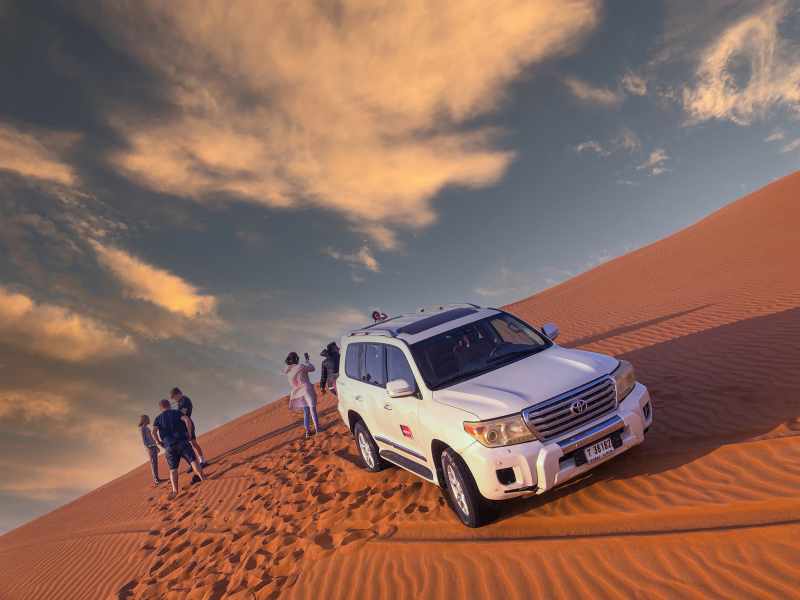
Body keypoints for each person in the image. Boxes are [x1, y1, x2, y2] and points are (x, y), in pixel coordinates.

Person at [153, 398, 204, 498]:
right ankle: (203, 478)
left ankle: (175, 491)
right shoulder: (177, 412)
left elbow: (153, 432)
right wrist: (189, 433)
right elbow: (187, 420)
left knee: (173, 469)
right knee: (193, 460)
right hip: (182, 441)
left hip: (169, 446)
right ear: (169, 405)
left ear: (161, 408)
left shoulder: (158, 418)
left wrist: (159, 442)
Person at [284, 351, 322, 438]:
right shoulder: (300, 366)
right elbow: (312, 368)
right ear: (296, 359)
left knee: (306, 412)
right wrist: (307, 360)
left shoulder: (289, 372)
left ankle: (307, 432)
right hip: (307, 390)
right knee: (312, 409)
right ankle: (317, 429)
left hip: (298, 393)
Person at [170, 387, 207, 472]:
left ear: (178, 394)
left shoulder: (184, 400)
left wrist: (173, 414)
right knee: (186, 446)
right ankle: (193, 464)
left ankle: (202, 461)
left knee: (193, 443)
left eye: (174, 397)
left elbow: (183, 413)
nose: (174, 399)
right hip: (182, 426)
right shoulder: (180, 402)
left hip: (188, 424)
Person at [139, 415, 162, 487]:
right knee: (153, 463)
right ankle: (156, 480)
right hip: (150, 447)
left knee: (155, 463)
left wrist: (156, 446)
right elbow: (144, 440)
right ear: (145, 419)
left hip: (153, 446)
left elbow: (151, 438)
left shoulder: (147, 428)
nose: (149, 420)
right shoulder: (142, 428)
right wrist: (148, 447)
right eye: (148, 419)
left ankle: (157, 478)